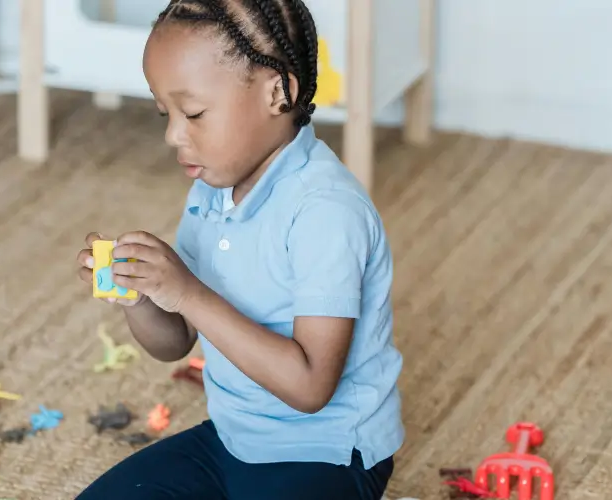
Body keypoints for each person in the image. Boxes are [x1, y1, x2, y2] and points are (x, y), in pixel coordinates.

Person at [75, 1, 403, 498]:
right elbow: (174, 342)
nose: (172, 134)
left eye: (194, 113)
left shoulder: (326, 211)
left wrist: (186, 293)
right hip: (234, 440)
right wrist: (140, 296)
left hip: (328, 453)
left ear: (278, 91)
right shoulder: (210, 192)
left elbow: (311, 387)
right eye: (165, 113)